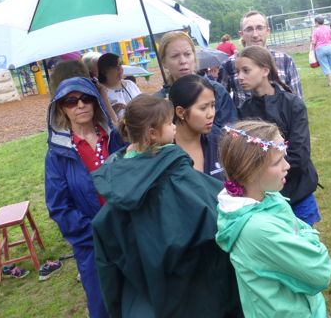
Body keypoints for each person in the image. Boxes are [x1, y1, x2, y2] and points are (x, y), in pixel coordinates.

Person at [91, 94, 242, 317]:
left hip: (144, 303)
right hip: (199, 299)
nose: (174, 127)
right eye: (170, 123)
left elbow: (108, 268)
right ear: (153, 133)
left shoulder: (115, 188)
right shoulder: (184, 181)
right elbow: (223, 232)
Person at [216, 120, 331, 318]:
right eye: (277, 162)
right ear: (250, 171)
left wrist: (299, 236)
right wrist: (308, 238)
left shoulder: (270, 197)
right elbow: (320, 271)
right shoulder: (257, 229)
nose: (287, 166)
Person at [45, 77, 125, 318]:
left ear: (96, 102)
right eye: (71, 101)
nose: (80, 105)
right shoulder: (57, 155)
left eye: (86, 98)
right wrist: (96, 234)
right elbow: (59, 208)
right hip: (92, 247)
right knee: (103, 307)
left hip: (129, 237)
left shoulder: (115, 139)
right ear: (61, 108)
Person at [235, 45, 321, 225]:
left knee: (304, 240)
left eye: (246, 70)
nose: (240, 77)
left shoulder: (292, 104)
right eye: (238, 72)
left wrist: (264, 172)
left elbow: (299, 154)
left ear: (265, 70)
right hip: (265, 198)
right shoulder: (243, 111)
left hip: (298, 191)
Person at [219, 10, 303, 107]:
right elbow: (220, 104)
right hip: (245, 116)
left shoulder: (285, 60)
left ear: (267, 31)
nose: (255, 35)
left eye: (260, 28)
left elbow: (297, 101)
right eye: (249, 29)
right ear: (241, 34)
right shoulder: (229, 64)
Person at [158, 31, 237, 131]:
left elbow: (230, 131)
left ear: (194, 57)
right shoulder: (159, 102)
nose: (183, 61)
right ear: (164, 62)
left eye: (187, 54)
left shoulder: (217, 91)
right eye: (175, 56)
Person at [170, 74, 226, 181]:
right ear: (180, 112)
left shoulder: (220, 141)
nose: (211, 114)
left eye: (213, 105)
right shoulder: (161, 150)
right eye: (203, 108)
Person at [97, 53, 141, 119]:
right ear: (104, 71)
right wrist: (111, 111)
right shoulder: (101, 92)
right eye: (114, 66)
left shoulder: (130, 84)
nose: (120, 69)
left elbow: (143, 103)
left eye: (120, 64)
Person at [311, 16, 331, 87]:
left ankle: (330, 82)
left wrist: (312, 50)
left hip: (320, 49)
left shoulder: (315, 31)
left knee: (325, 65)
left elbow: (313, 42)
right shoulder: (328, 28)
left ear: (317, 22)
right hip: (329, 47)